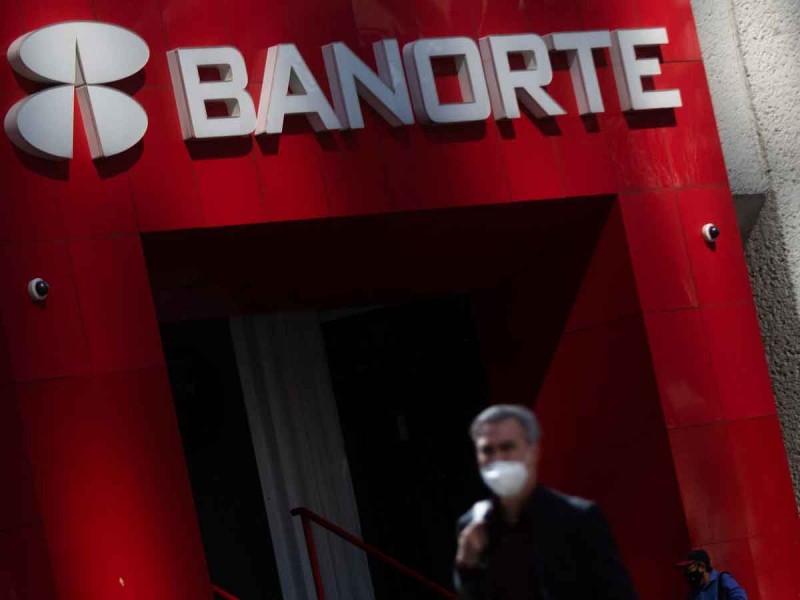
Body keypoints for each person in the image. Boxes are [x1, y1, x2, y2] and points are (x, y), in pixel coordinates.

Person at [454, 404, 639, 600]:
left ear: (533, 451)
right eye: (487, 450)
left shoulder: (576, 519)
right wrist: (466, 564)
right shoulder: (472, 525)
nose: (497, 458)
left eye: (507, 447)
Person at [675, 549, 748, 599]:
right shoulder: (693, 593)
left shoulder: (722, 580)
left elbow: (741, 598)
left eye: (688, 568)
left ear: (702, 567)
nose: (686, 572)